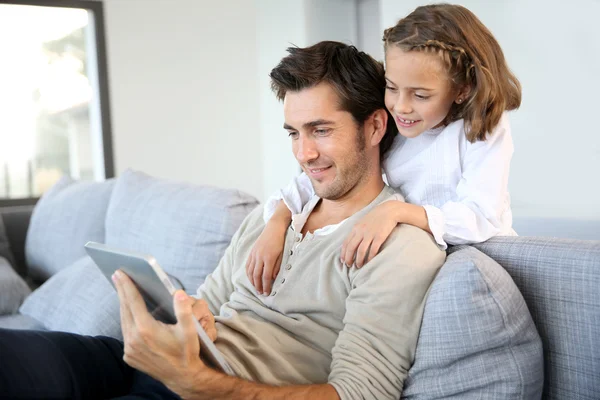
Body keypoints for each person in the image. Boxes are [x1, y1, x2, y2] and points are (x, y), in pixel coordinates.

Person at [0, 41, 446, 400]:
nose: (303, 154)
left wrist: (202, 386)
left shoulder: (399, 244)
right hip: (153, 365)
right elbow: (208, 306)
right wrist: (189, 321)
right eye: (295, 133)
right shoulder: (276, 215)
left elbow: (359, 393)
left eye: (321, 130)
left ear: (374, 127)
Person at [247, 3, 521, 296]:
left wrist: (397, 212)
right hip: (418, 253)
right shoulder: (396, 121)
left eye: (420, 94)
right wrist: (277, 223)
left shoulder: (481, 127)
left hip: (479, 258)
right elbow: (313, 179)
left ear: (462, 90)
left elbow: (483, 217)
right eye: (392, 87)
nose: (401, 107)